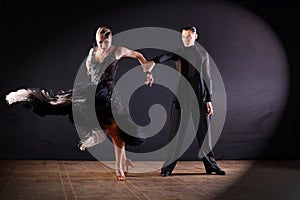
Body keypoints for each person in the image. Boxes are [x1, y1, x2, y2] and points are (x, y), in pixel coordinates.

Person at [5, 26, 155, 181]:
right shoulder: (92, 52)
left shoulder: (118, 50)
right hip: (93, 91)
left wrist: (148, 73)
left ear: (111, 39)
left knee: (116, 131)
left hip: (108, 94)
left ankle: (120, 166)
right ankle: (28, 96)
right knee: (62, 103)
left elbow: (138, 55)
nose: (103, 45)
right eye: (100, 42)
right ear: (97, 41)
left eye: (106, 42)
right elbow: (90, 69)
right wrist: (92, 72)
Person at [144, 26, 225, 176]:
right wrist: (153, 62)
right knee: (175, 135)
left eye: (188, 36)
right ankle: (167, 168)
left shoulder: (203, 54)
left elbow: (208, 78)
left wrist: (209, 99)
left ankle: (211, 166)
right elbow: (165, 56)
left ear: (195, 36)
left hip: (200, 98)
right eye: (183, 37)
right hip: (181, 97)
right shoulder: (179, 52)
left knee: (204, 134)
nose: (185, 39)